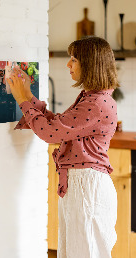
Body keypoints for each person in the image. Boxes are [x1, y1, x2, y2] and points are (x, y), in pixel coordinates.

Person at [7, 36, 119, 258]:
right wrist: (28, 96)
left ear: (90, 64)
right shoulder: (92, 98)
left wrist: (22, 100)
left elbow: (50, 133)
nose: (68, 64)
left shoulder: (96, 103)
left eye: (74, 59)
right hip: (82, 185)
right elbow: (58, 125)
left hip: (87, 187)